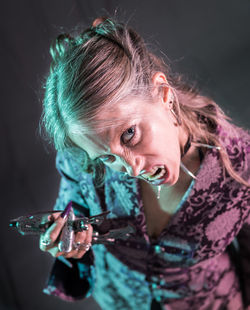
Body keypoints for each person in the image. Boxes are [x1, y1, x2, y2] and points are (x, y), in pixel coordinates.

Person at [39, 17, 250, 310]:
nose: (133, 169)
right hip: (122, 300)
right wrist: (68, 237)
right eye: (107, 158)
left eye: (129, 134)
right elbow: (75, 210)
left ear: (163, 95)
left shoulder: (241, 166)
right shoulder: (82, 157)